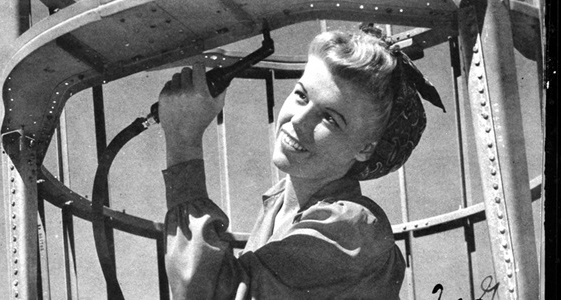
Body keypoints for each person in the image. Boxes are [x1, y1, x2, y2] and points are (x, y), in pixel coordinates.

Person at [158, 26, 444, 299]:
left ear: (366, 148)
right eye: (301, 95)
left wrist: (184, 139)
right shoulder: (279, 204)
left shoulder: (350, 229)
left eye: (330, 118)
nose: (298, 120)